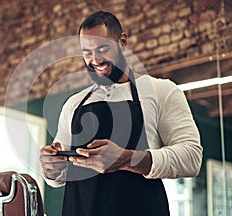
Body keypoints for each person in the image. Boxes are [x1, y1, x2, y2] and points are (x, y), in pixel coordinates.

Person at [40, 10, 203, 215]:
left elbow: (192, 157)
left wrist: (128, 159)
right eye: (87, 52)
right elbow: (59, 175)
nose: (95, 59)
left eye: (102, 48)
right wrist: (50, 168)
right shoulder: (74, 104)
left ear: (122, 41)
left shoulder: (161, 91)